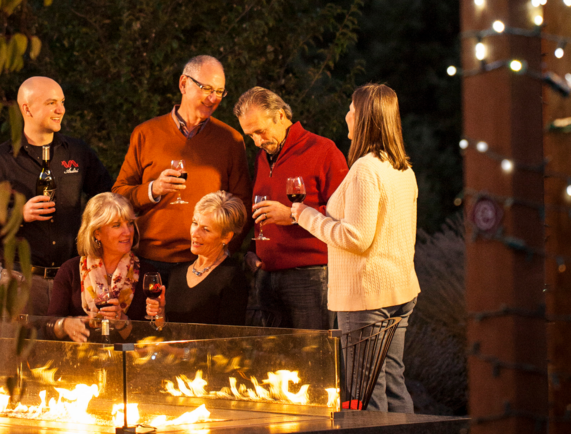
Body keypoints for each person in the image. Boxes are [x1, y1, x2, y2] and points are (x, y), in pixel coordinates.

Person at [291, 83, 419, 413]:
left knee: (366, 391)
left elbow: (355, 238)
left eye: (352, 108)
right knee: (392, 381)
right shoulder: (402, 168)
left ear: (364, 118)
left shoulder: (365, 169)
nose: (346, 114)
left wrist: (305, 215)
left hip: (367, 295)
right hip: (399, 290)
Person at [112, 55, 251, 283]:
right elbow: (118, 195)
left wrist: (224, 252)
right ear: (183, 84)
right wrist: (153, 190)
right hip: (150, 261)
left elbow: (243, 206)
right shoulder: (146, 134)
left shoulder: (231, 141)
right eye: (206, 88)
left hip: (205, 264)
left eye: (220, 91)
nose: (213, 98)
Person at [0, 76, 114, 315]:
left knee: (72, 352)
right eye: (51, 103)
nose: (61, 110)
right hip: (21, 282)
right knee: (16, 352)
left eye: (62, 102)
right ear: (26, 108)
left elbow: (108, 198)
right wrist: (19, 214)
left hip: (74, 280)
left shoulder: (79, 153)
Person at [234, 87, 348, 330]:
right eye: (250, 135)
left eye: (260, 132)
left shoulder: (323, 150)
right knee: (276, 360)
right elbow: (261, 212)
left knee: (313, 356)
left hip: (310, 275)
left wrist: (294, 216)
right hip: (267, 274)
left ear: (281, 116)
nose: (257, 141)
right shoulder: (263, 157)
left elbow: (345, 214)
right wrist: (254, 250)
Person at [47, 193, 158, 342]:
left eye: (130, 223)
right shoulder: (70, 270)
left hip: (129, 360)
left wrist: (122, 321)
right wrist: (65, 325)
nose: (127, 232)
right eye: (117, 225)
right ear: (97, 233)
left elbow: (152, 337)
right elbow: (48, 327)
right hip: (79, 359)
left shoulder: (147, 273)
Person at [145, 191, 249, 326]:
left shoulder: (232, 277)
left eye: (206, 229)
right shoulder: (177, 272)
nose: (195, 233)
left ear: (226, 237)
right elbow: (164, 330)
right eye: (195, 223)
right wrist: (159, 312)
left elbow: (230, 340)